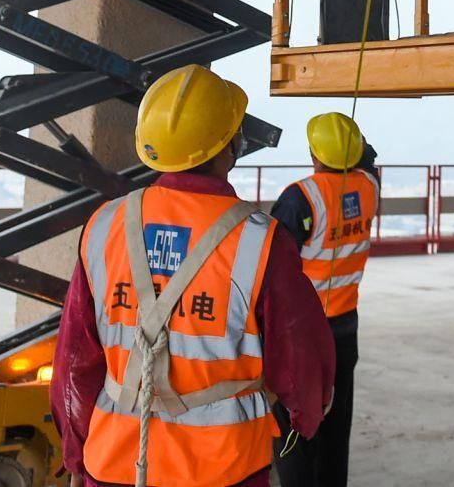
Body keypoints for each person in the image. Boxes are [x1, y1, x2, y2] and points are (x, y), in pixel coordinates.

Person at [50, 65, 335, 487]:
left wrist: (76, 452)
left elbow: (75, 359)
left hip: (114, 462)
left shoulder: (105, 225)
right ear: (230, 146)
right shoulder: (259, 241)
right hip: (223, 469)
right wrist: (304, 417)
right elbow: (300, 359)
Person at [269, 113, 381, 487]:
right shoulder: (369, 187)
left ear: (314, 154)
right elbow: (369, 158)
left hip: (302, 333)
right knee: (336, 427)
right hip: (345, 327)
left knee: (295, 432)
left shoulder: (300, 198)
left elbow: (272, 267)